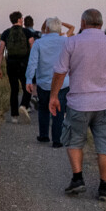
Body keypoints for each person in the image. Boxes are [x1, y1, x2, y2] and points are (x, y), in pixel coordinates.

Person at [48, 8, 106, 200]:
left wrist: (53, 96)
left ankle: (77, 179)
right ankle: (105, 187)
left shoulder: (72, 42)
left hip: (78, 102)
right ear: (101, 24)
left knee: (75, 140)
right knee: (105, 144)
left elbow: (60, 72)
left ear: (83, 23)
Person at [26, 17, 69, 146]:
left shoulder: (39, 43)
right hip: (63, 83)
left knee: (44, 108)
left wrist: (29, 79)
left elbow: (32, 63)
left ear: (47, 28)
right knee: (59, 110)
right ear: (59, 28)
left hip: (43, 83)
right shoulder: (66, 42)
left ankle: (44, 135)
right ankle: (57, 139)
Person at [0, 11, 32, 123]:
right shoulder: (27, 32)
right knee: (27, 87)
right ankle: (24, 105)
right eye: (21, 18)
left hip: (11, 64)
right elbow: (33, 48)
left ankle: (14, 116)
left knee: (14, 89)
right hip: (24, 64)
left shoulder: (6, 33)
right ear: (20, 20)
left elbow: (1, 51)